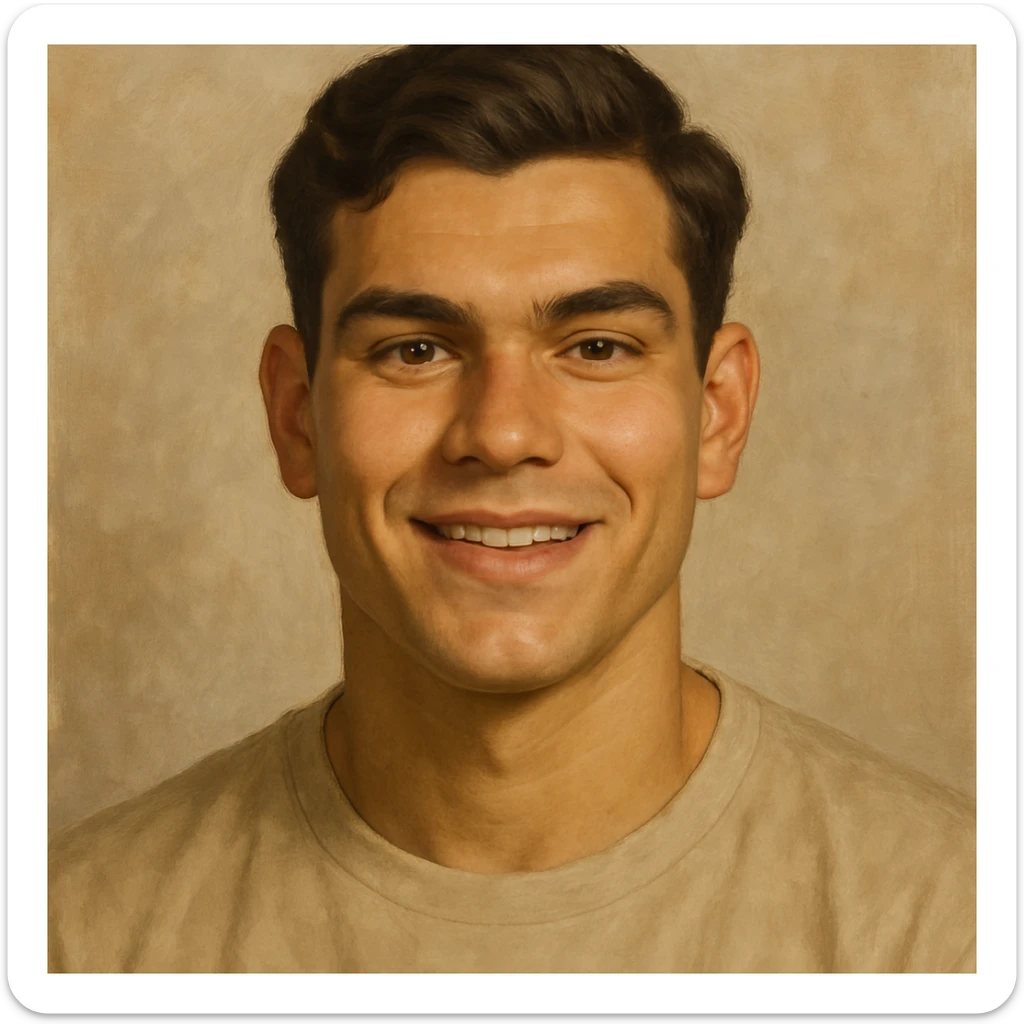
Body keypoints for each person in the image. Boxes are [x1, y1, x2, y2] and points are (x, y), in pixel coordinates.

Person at [48, 44, 975, 974]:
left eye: (598, 347)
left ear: (717, 414)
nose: (500, 434)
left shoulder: (952, 928)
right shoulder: (78, 940)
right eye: (415, 350)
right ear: (297, 417)